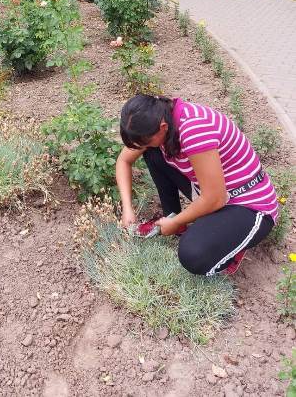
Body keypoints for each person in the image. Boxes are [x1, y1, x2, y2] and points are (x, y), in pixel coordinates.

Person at [116, 94, 278, 276]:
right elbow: (124, 161)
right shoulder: (158, 116)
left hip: (249, 204)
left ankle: (231, 246)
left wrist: (176, 221)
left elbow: (215, 199)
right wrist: (127, 208)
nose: (139, 146)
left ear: (162, 127)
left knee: (193, 255)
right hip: (216, 191)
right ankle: (176, 221)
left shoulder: (194, 130)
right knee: (154, 153)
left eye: (143, 142)